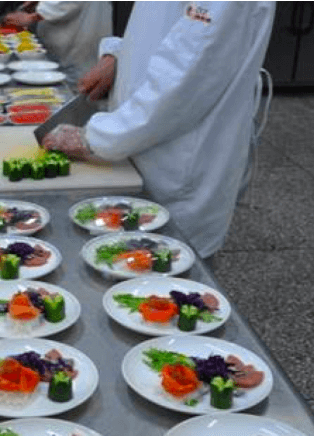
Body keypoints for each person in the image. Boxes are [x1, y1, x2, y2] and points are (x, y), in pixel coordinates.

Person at [42, 1, 276, 258]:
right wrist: (120, 55)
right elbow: (167, 24)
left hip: (178, 163)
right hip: (137, 144)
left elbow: (190, 75)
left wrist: (95, 137)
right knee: (122, 255)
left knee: (166, 265)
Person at [2, 1, 112, 85]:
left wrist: (34, 16)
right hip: (63, 34)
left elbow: (63, 3)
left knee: (80, 79)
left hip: (80, 29)